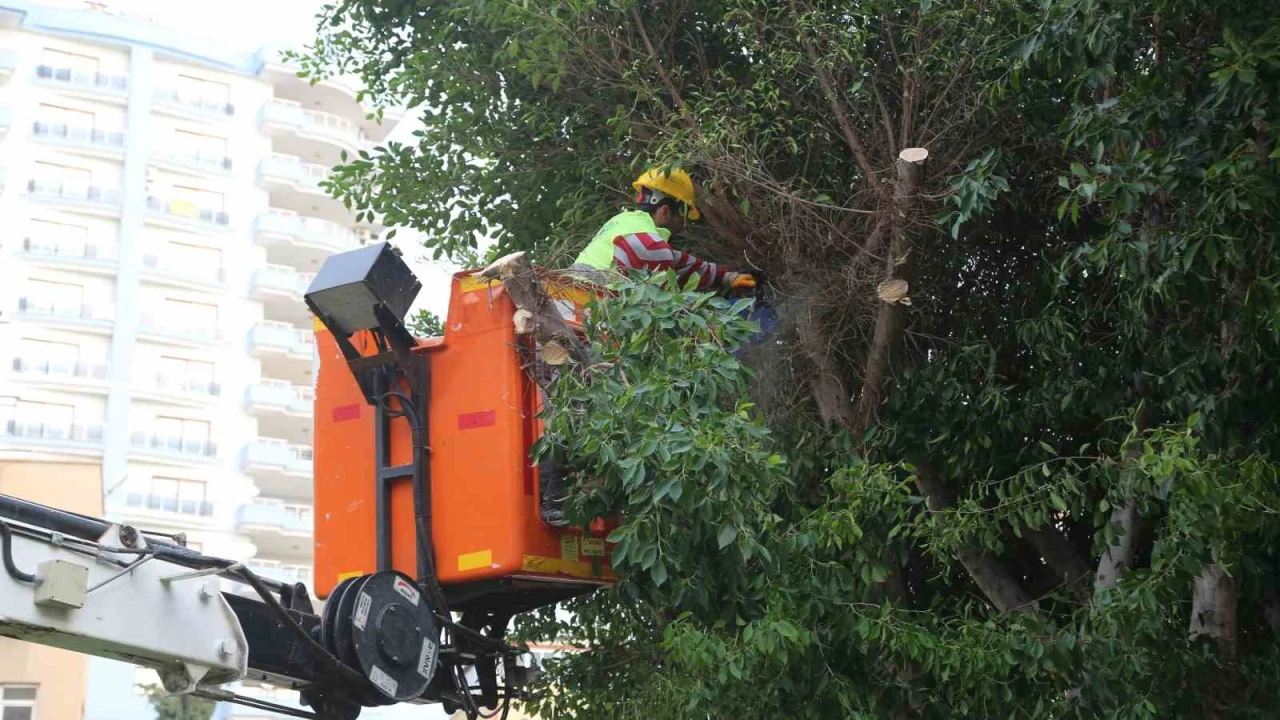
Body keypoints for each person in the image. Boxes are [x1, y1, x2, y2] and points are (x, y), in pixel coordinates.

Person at [539, 168, 755, 527]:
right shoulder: (636, 229)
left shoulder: (628, 227)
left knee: (590, 411)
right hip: (574, 331)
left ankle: (580, 496)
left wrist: (724, 276)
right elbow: (659, 259)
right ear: (665, 210)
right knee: (579, 412)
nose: (679, 230)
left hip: (579, 325)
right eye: (680, 221)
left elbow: (669, 258)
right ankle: (555, 498)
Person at [571, 167, 756, 292]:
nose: (684, 225)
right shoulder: (648, 244)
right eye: (682, 217)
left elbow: (679, 263)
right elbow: (664, 300)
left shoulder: (625, 221)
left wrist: (728, 277)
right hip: (587, 308)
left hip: (568, 296)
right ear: (665, 211)